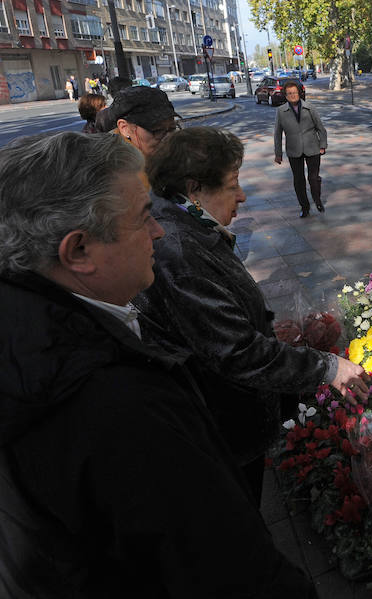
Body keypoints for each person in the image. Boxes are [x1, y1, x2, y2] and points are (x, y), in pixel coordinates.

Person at [0, 131, 319, 597]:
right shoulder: (114, 405)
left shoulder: (37, 333)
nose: (160, 231)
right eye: (144, 217)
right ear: (79, 250)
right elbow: (227, 564)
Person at [137, 127, 369, 505]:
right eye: (232, 185)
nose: (242, 196)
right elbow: (236, 351)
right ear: (194, 190)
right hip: (222, 426)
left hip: (228, 420)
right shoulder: (180, 252)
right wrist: (329, 368)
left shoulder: (189, 226)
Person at [274, 80, 327, 218]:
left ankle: (317, 199)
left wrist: (322, 145)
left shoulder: (310, 108)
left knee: (313, 178)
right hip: (293, 149)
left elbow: (320, 128)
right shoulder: (281, 111)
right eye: (289, 93)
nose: (292, 95)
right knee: (298, 180)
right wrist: (278, 154)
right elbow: (277, 134)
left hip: (312, 147)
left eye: (294, 92)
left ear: (300, 93)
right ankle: (305, 207)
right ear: (285, 95)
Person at [108, 86, 180, 159]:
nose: (168, 137)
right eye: (157, 131)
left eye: (172, 128)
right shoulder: (110, 166)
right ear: (124, 128)